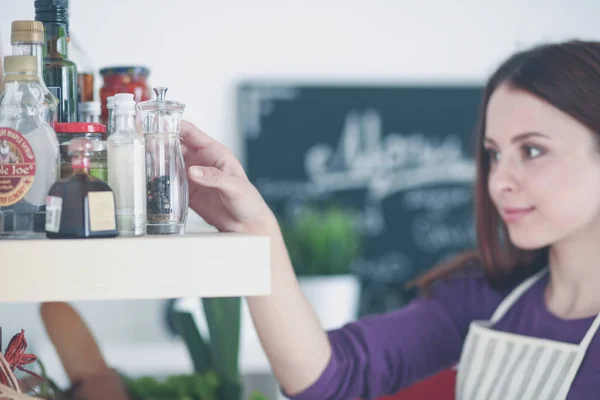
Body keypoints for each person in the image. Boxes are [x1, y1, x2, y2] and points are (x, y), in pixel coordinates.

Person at [180, 39, 600, 400]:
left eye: (531, 150)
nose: (499, 181)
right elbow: (329, 379)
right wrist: (255, 230)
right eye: (493, 155)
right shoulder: (484, 296)